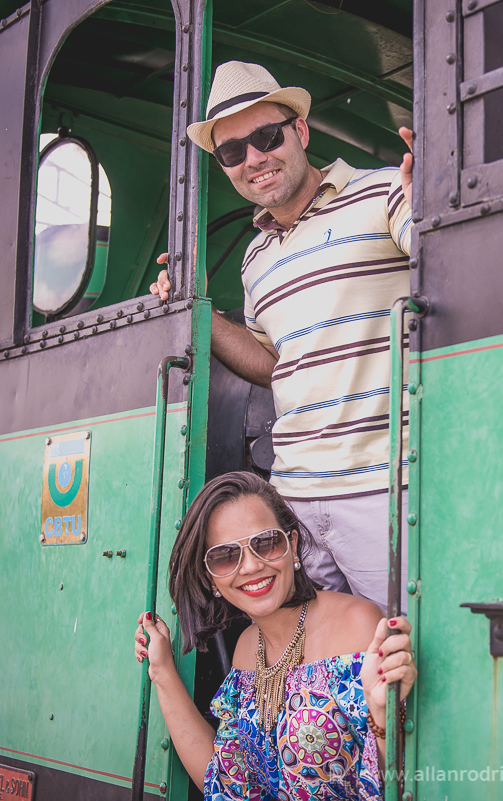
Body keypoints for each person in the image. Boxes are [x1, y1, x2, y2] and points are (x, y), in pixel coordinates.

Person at [150, 61, 414, 607]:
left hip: (380, 488)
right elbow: (275, 365)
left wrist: (438, 198)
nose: (253, 159)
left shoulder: (385, 192)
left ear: (301, 131)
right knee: (321, 665)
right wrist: (198, 311)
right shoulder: (255, 259)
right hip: (293, 499)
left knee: (400, 658)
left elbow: (448, 254)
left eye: (267, 137)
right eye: (231, 152)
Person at [133, 471, 417, 799]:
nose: (251, 566)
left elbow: (400, 782)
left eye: (266, 543)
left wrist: (384, 718)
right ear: (210, 577)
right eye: (225, 556)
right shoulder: (246, 649)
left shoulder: (358, 625)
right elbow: (228, 786)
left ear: (292, 545)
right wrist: (162, 671)